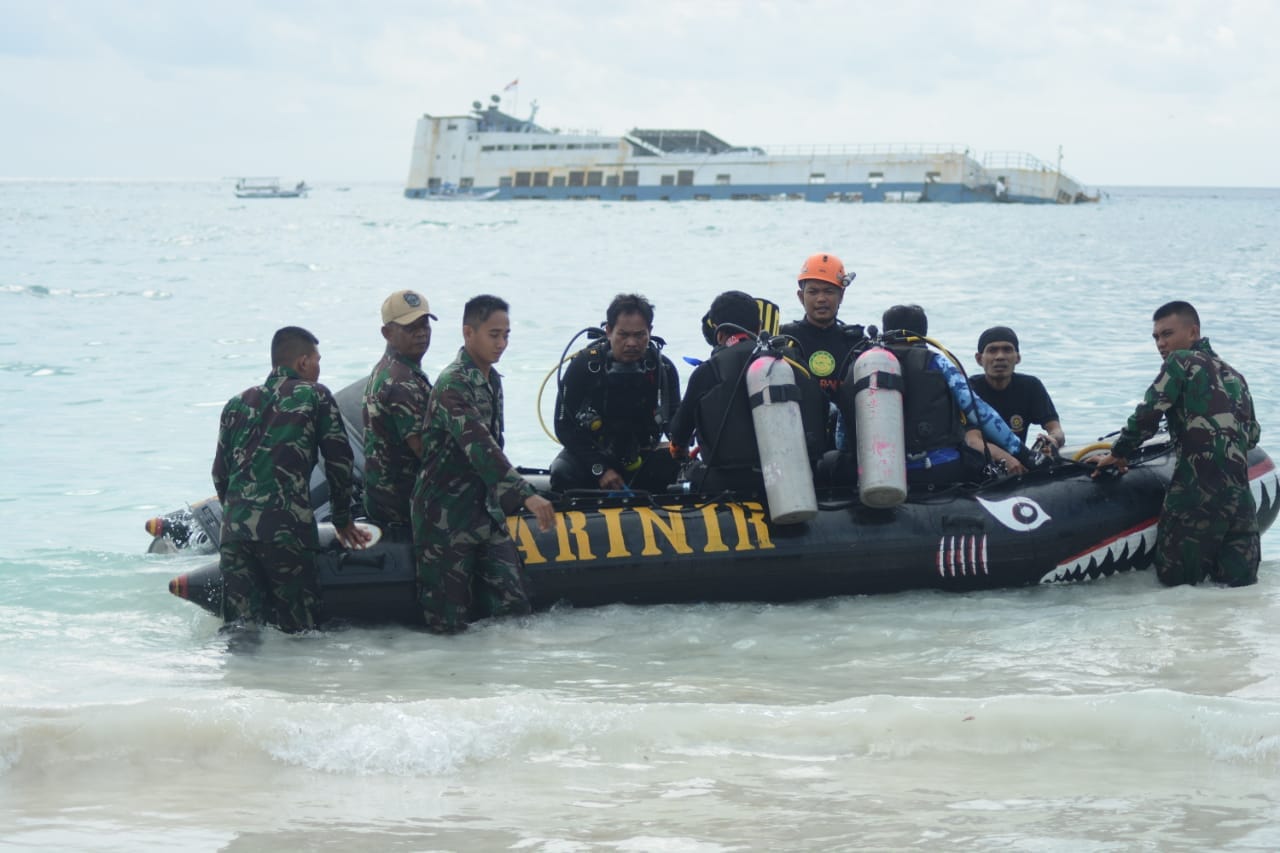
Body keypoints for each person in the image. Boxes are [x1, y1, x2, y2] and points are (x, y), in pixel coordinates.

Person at [411, 295, 557, 634]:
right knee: (448, 624)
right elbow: (480, 447)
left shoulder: (492, 380)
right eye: (494, 335)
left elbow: (496, 444)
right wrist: (526, 494)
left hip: (484, 511)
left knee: (515, 607)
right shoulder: (453, 385)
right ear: (468, 333)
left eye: (506, 335)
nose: (502, 343)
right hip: (445, 516)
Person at [212, 326, 371, 632]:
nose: (319, 367)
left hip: (235, 535)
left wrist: (237, 515)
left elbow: (220, 472)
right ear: (302, 363)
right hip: (286, 532)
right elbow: (340, 463)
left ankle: (239, 679)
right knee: (300, 633)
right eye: (317, 360)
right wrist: (342, 521)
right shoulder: (315, 396)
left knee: (241, 632)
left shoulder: (237, 403)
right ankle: (296, 680)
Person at [1090, 301, 1260, 586]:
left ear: (1193, 332)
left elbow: (1147, 413)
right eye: (1156, 337)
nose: (1160, 343)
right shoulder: (1235, 376)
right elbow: (1252, 436)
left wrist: (1119, 453)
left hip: (1194, 495)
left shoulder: (1179, 362)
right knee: (1236, 592)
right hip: (1240, 502)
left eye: (1167, 334)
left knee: (1177, 589)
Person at [839, 305, 1026, 486]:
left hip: (874, 473)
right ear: (923, 333)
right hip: (936, 471)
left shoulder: (862, 365)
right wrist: (1023, 453)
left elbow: (842, 428)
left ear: (885, 330)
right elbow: (979, 412)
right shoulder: (936, 362)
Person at [671, 290, 826, 493]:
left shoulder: (709, 371)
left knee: (687, 476)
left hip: (729, 482)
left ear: (719, 333)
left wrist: (680, 451)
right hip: (797, 479)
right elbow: (822, 409)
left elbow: (679, 433)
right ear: (760, 326)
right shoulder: (792, 361)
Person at [550, 293, 682, 493]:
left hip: (641, 454)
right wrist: (600, 469)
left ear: (650, 332)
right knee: (562, 472)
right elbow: (563, 426)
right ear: (609, 331)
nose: (631, 343)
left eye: (639, 335)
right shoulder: (585, 366)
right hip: (593, 455)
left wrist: (682, 443)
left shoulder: (663, 368)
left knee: (681, 467)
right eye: (623, 335)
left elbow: (673, 419)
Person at [361, 289, 437, 536]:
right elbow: (426, 452)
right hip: (403, 505)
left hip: (382, 499)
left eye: (424, 324)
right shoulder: (400, 381)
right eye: (411, 327)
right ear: (387, 333)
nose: (422, 332)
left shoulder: (389, 369)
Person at [779, 252, 866, 404]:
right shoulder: (783, 339)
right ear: (801, 296)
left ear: (841, 296)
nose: (821, 299)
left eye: (829, 291)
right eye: (813, 292)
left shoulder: (857, 344)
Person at [969, 325, 1065, 450]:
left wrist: (1052, 439)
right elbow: (970, 441)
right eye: (992, 350)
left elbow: (1056, 430)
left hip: (1019, 462)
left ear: (1018, 358)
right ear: (979, 359)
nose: (1000, 357)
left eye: (1007, 350)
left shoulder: (1031, 386)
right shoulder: (968, 390)